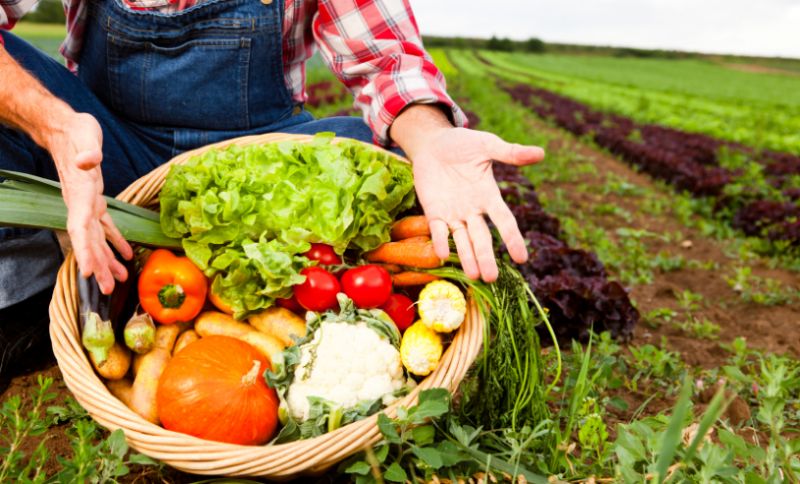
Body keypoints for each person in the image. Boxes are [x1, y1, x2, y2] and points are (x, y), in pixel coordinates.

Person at [0, 0, 545, 387]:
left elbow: (385, 59)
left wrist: (431, 139)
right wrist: (54, 126)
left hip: (255, 156)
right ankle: (26, 306)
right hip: (108, 144)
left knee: (380, 161)